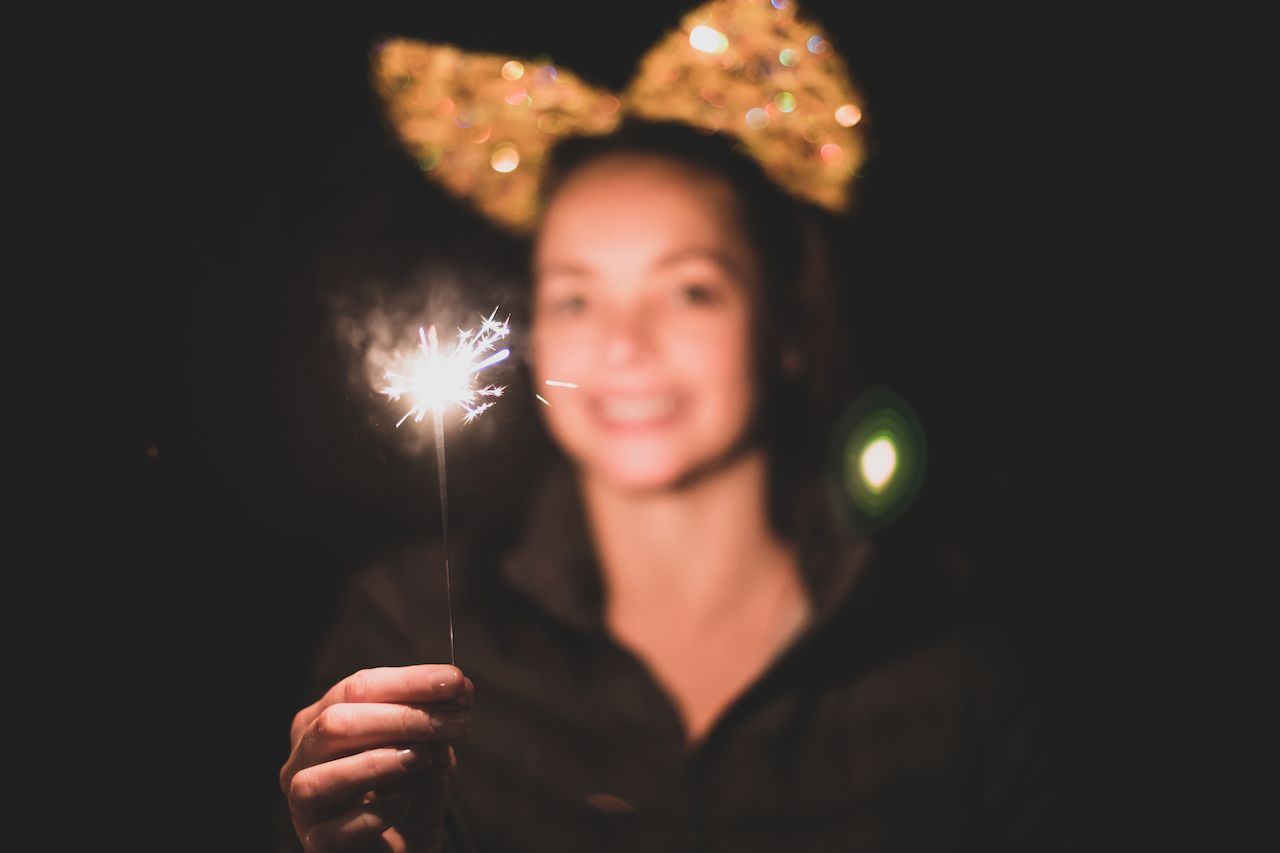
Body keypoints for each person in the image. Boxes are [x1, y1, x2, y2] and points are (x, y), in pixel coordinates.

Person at [276, 117, 1086, 852]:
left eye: (690, 289)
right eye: (577, 298)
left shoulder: (959, 673)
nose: (625, 345)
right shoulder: (405, 623)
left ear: (787, 328)